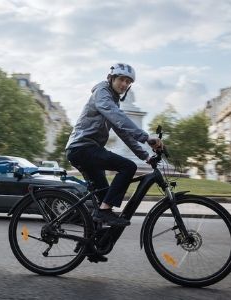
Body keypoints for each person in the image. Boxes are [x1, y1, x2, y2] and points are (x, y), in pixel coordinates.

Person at [66, 63, 163, 228]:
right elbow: (116, 115)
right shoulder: (102, 93)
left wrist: (145, 156)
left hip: (90, 150)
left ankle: (93, 248)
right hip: (82, 148)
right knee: (128, 167)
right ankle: (103, 211)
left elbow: (123, 131)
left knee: (104, 200)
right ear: (111, 78)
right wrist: (146, 137)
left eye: (128, 82)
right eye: (121, 80)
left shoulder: (113, 101)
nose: (124, 84)